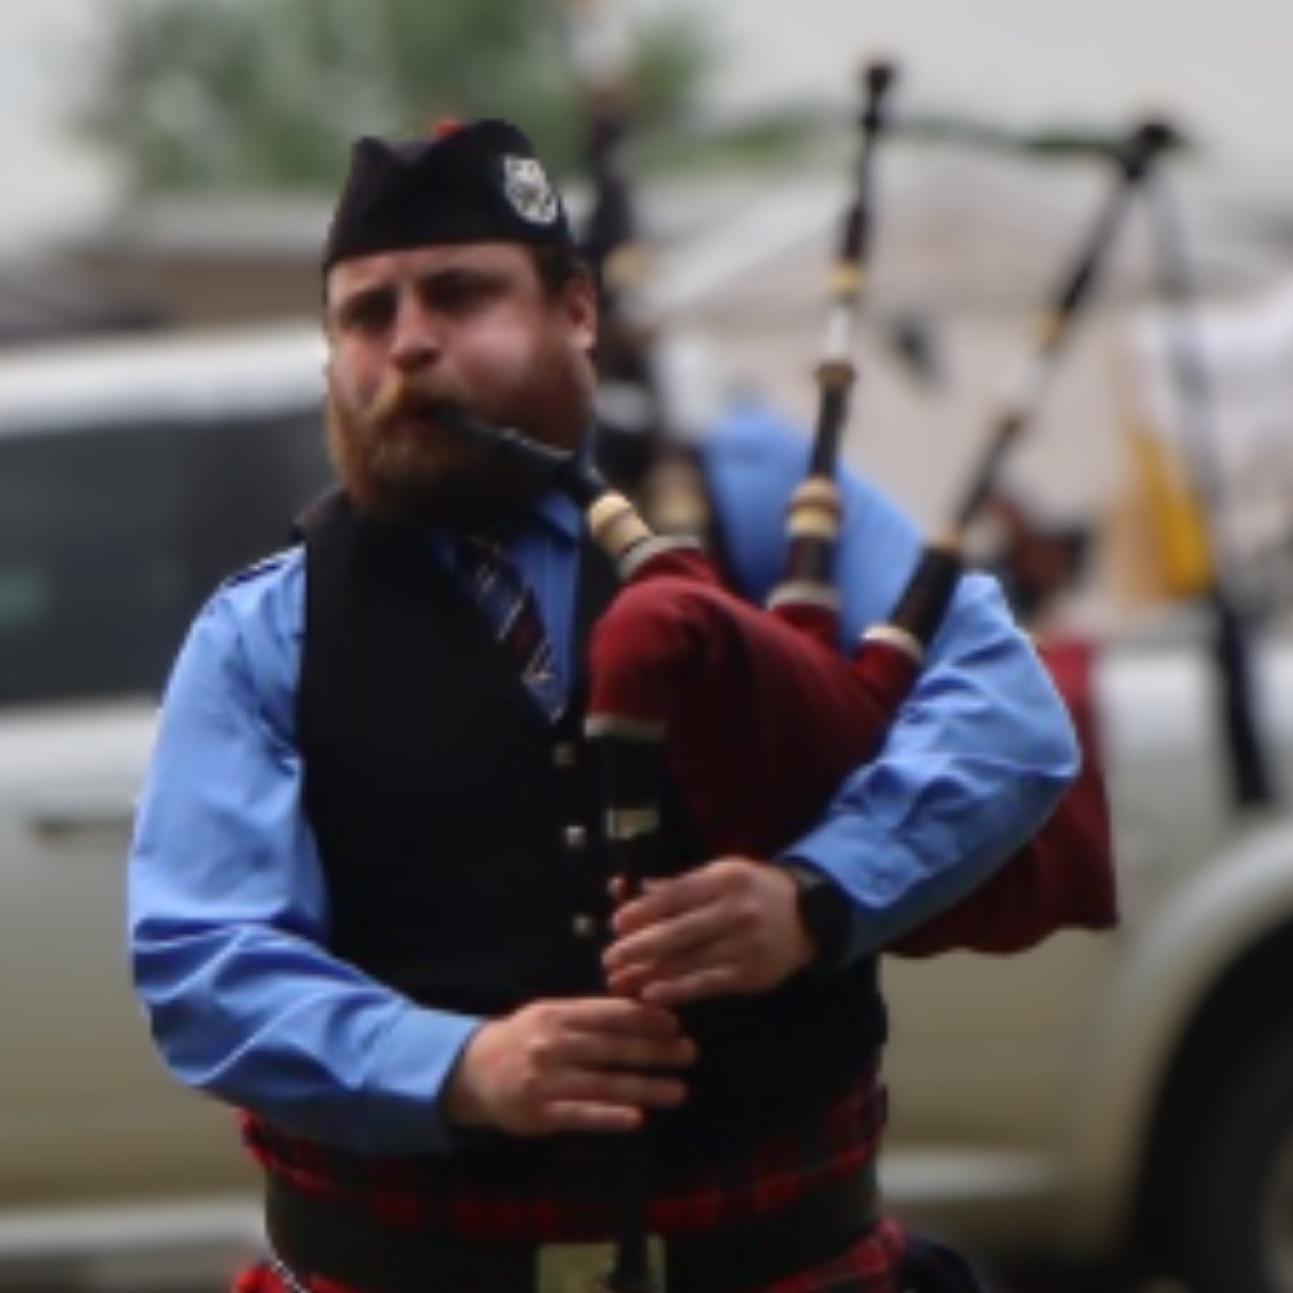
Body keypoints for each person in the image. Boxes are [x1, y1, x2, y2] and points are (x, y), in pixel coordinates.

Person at [127, 118, 1079, 1293]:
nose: (409, 343)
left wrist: (818, 896)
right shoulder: (265, 630)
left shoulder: (751, 509)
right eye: (367, 315)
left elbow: (1004, 713)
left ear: (575, 309)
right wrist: (455, 1067)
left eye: (460, 294)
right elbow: (204, 958)